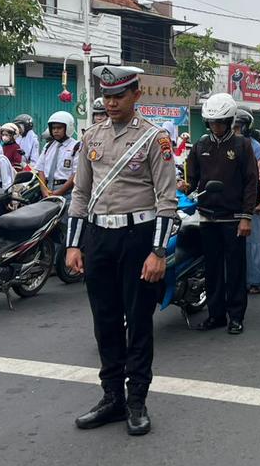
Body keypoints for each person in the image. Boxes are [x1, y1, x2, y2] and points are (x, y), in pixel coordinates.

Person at [64, 65, 178, 437]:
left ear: (136, 96)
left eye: (118, 96)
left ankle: (137, 402)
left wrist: (158, 252)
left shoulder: (154, 139)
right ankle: (111, 396)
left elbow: (166, 200)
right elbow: (80, 194)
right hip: (98, 239)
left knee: (139, 322)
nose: (111, 103)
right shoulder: (91, 137)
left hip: (138, 239)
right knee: (105, 321)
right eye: (106, 97)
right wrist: (73, 245)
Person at [184, 93, 259, 334]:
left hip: (234, 218)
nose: (216, 127)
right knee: (213, 269)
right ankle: (215, 315)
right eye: (212, 123)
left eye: (220, 122)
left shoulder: (242, 145)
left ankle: (236, 316)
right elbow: (192, 179)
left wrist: (247, 216)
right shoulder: (200, 146)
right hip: (207, 217)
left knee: (235, 269)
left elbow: (251, 182)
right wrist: (183, 185)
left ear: (229, 122)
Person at [234, 108, 260, 294]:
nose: (234, 129)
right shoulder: (231, 144)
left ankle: (256, 280)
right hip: (236, 201)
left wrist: (259, 201)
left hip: (254, 202)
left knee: (255, 242)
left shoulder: (255, 148)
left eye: (237, 126)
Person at [39, 111, 80, 197]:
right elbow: (40, 169)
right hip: (47, 189)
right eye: (53, 128)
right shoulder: (48, 146)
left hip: (67, 191)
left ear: (68, 128)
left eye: (59, 128)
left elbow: (76, 174)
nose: (55, 131)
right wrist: (44, 190)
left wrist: (60, 191)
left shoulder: (76, 147)